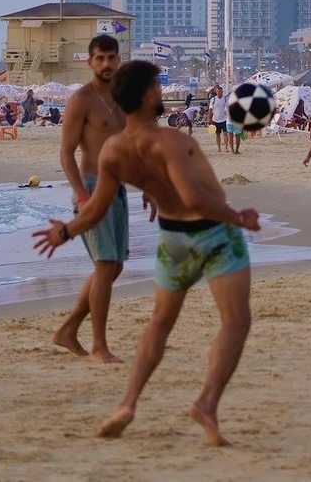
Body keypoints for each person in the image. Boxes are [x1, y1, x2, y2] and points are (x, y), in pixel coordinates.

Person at [33, 60, 260, 445]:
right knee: (235, 322)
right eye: (156, 86)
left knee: (159, 322)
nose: (160, 92)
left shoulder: (113, 150)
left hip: (171, 239)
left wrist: (67, 230)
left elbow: (98, 206)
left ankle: (127, 404)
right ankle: (205, 403)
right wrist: (237, 217)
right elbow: (193, 197)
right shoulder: (172, 141)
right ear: (144, 96)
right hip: (213, 234)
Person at [52, 35, 133, 363]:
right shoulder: (81, 100)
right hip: (91, 186)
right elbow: (66, 153)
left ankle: (68, 330)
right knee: (104, 265)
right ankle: (98, 346)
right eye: (99, 58)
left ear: (119, 60)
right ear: (90, 62)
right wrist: (82, 194)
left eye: (111, 58)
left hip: (119, 188)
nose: (106, 64)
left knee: (114, 267)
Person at [209, 87, 228, 153]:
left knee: (225, 134)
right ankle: (219, 148)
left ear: (222, 92)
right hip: (215, 119)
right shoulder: (213, 99)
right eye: (218, 91)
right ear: (216, 92)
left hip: (224, 119)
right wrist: (209, 119)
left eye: (220, 91)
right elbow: (210, 110)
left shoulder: (225, 99)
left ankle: (226, 147)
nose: (219, 92)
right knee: (217, 134)